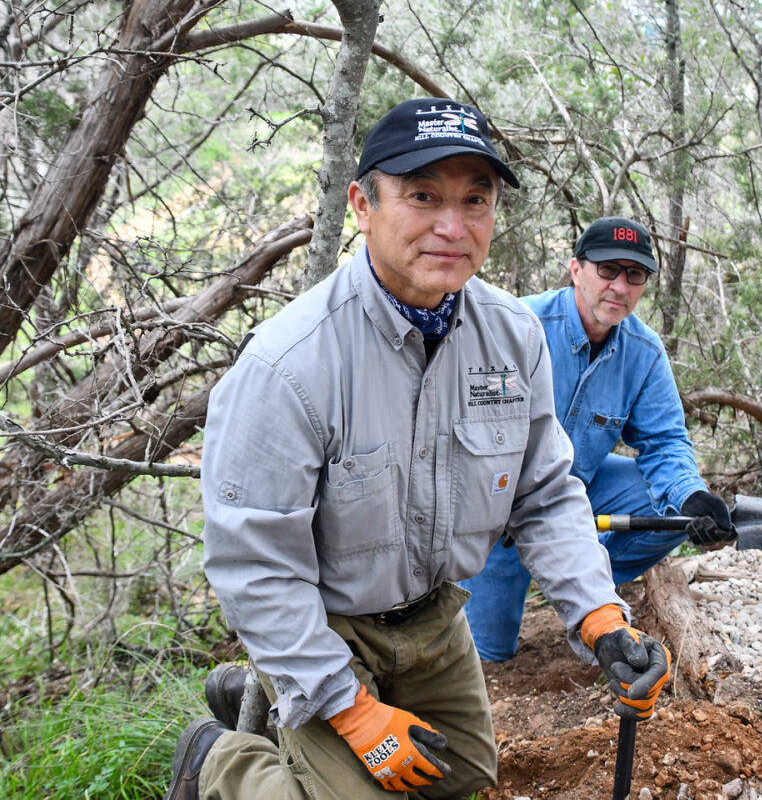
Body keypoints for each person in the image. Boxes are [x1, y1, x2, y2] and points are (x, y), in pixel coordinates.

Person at [163, 98, 672, 800]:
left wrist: (599, 615)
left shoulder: (511, 337)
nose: (451, 226)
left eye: (475, 199)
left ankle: (288, 722)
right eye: (423, 195)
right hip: (328, 620)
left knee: (460, 779)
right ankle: (221, 762)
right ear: (362, 204)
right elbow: (253, 564)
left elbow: (545, 492)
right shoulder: (291, 363)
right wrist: (353, 710)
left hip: (435, 613)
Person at [461, 216, 735, 662]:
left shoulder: (642, 353)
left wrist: (692, 497)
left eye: (635, 275)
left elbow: (665, 442)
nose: (620, 287)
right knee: (488, 656)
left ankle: (582, 581)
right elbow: (464, 427)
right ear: (576, 269)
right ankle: (533, 578)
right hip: (493, 512)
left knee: (665, 504)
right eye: (608, 270)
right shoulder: (517, 325)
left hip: (578, 485)